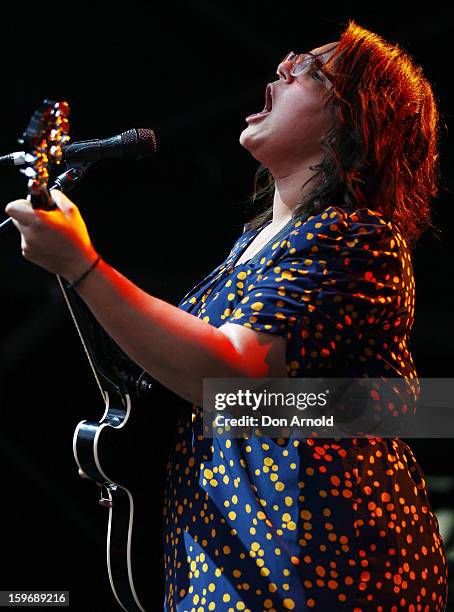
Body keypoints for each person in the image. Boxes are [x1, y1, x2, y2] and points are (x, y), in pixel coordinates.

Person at [5, 19, 448, 612]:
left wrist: (84, 265)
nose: (283, 66)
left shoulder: (357, 238)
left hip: (320, 561)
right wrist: (72, 267)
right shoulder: (247, 251)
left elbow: (233, 382)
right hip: (231, 561)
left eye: (311, 69)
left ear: (355, 121)